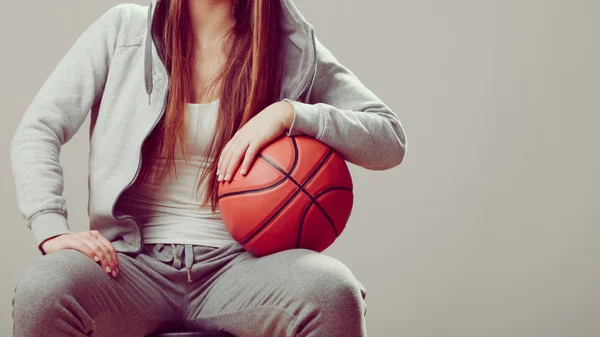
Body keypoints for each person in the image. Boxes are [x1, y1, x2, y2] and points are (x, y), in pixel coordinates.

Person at [10, 0, 407, 336]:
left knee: (332, 291)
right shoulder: (124, 30)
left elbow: (389, 140)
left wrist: (291, 113)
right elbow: (38, 128)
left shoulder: (290, 47)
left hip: (242, 268)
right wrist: (50, 227)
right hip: (129, 266)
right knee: (43, 290)